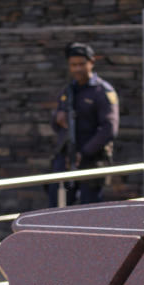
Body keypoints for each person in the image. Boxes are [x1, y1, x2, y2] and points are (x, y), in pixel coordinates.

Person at [50, 41, 119, 205]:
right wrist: (57, 118)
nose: (77, 69)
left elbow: (109, 128)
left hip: (92, 161)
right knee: (55, 210)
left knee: (89, 214)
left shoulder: (102, 91)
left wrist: (85, 153)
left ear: (92, 62)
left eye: (82, 64)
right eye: (73, 65)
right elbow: (56, 126)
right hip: (66, 160)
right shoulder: (68, 90)